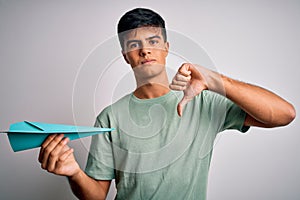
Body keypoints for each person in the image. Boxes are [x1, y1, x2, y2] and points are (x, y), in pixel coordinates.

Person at [38, 8, 296, 200]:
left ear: (166, 47)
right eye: (134, 44)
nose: (145, 51)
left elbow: (284, 114)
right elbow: (96, 195)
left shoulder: (202, 101)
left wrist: (216, 80)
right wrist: (74, 173)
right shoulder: (110, 118)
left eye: (153, 42)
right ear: (125, 56)